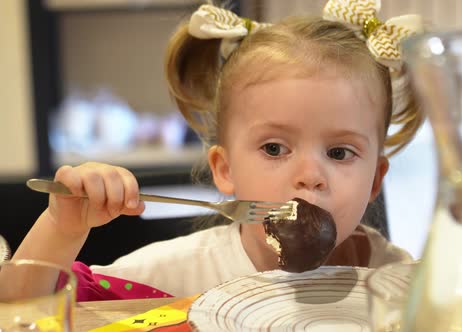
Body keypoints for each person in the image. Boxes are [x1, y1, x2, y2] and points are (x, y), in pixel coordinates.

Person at [3, 0, 425, 301]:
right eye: (275, 147)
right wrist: (62, 228)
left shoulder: (396, 282)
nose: (310, 174)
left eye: (339, 153)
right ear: (224, 169)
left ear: (375, 179)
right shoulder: (175, 274)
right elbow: (21, 308)